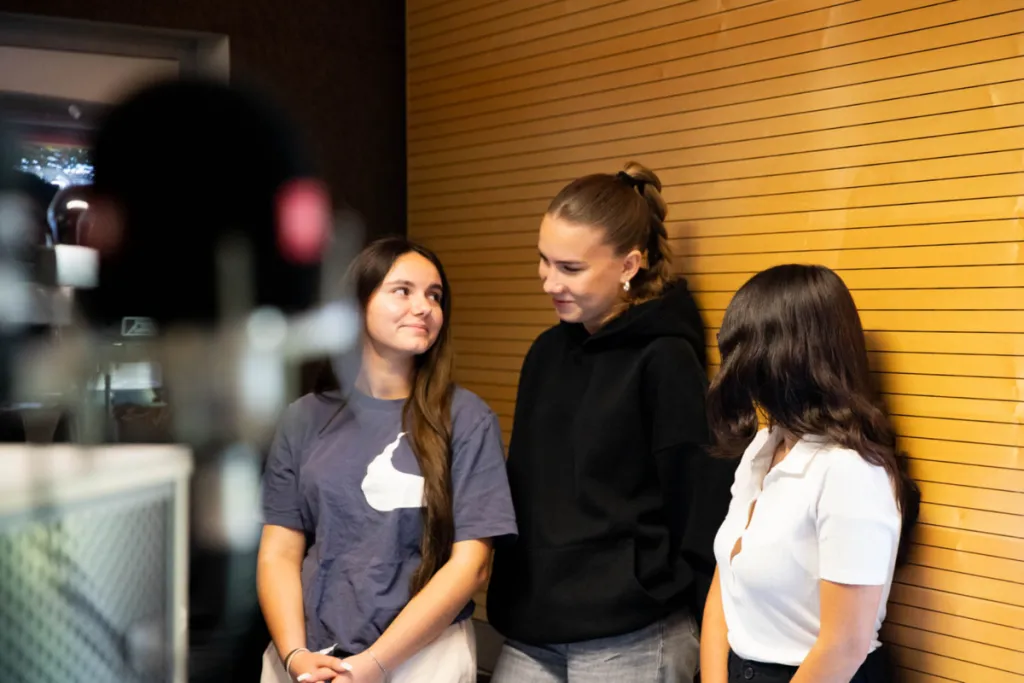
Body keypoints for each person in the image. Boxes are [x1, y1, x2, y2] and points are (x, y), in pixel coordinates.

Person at [487, 162, 734, 682]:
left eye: (570, 268)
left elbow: (696, 504)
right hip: (535, 625)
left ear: (629, 265)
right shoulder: (545, 353)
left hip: (633, 629)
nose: (549, 281)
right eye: (544, 260)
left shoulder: (665, 360)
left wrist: (669, 598)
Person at [257, 237, 518, 683]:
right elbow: (279, 552)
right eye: (403, 291)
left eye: (434, 296)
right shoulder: (304, 418)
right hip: (309, 657)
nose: (424, 308)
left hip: (422, 658)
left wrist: (373, 664)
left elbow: (471, 565)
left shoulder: (466, 418)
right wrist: (295, 654)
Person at [700, 264, 920, 683]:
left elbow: (845, 645)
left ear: (788, 358)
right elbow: (726, 578)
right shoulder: (763, 447)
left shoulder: (850, 471)